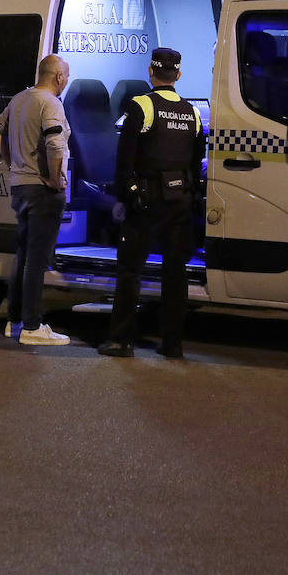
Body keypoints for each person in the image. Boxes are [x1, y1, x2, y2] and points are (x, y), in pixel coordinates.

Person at [98, 47, 205, 360]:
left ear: (151, 72)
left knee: (130, 270)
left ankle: (121, 340)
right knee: (176, 273)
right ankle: (173, 344)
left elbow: (124, 158)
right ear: (178, 75)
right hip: (180, 202)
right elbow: (196, 160)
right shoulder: (192, 112)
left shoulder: (141, 105)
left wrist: (125, 196)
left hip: (146, 203)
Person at [0, 54, 72, 346]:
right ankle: (33, 326)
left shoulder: (20, 99)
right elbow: (54, 142)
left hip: (20, 187)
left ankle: (15, 321)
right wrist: (53, 179)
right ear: (58, 77)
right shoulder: (50, 103)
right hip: (41, 190)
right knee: (36, 260)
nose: (66, 82)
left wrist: (11, 162)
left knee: (24, 256)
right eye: (66, 76)